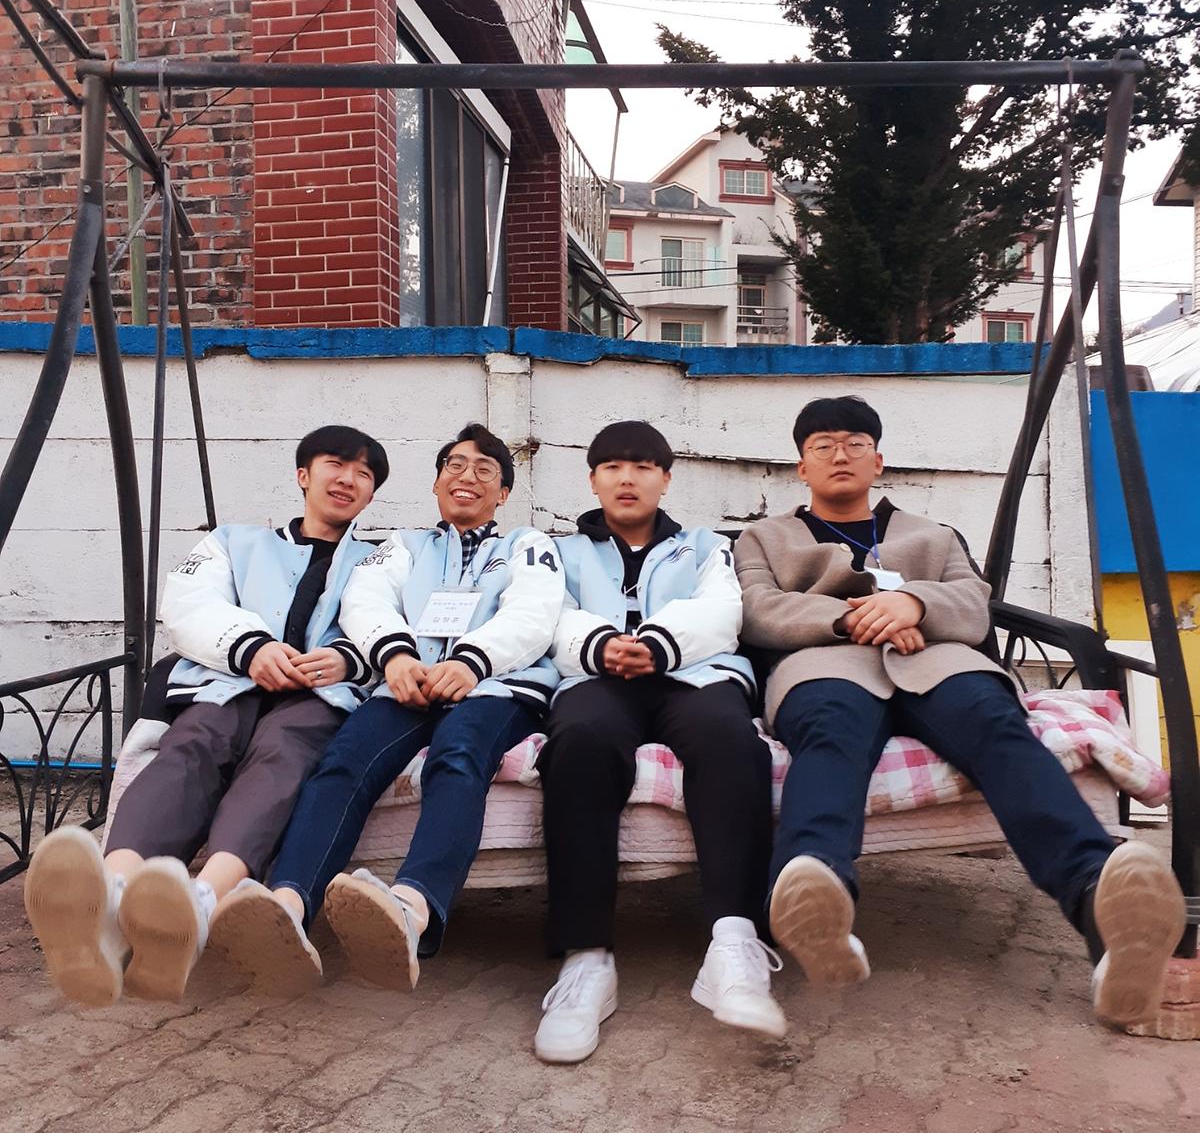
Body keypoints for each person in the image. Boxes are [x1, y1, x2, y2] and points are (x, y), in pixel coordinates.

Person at [734, 395, 1186, 1026]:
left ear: (878, 461)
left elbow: (974, 605)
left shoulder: (934, 535)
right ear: (801, 467)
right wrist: (854, 617)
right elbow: (758, 610)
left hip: (940, 662)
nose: (840, 455)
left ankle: (1101, 904)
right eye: (822, 446)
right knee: (830, 732)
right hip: (825, 667)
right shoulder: (762, 538)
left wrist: (915, 604)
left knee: (999, 729)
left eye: (856, 444)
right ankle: (816, 887)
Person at [24, 426, 389, 1005]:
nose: (348, 479)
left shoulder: (380, 561)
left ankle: (200, 901)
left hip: (317, 697)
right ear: (303, 475)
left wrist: (347, 659)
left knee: (283, 756)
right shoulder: (233, 542)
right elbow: (190, 605)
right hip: (226, 681)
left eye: (364, 474)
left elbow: (390, 623)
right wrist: (251, 648)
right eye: (335, 464)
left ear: (371, 496)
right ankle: (110, 895)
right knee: (190, 746)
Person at [207, 423, 565, 996]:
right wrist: (395, 657)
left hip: (496, 686)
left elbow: (533, 613)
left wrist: (471, 662)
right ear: (436, 483)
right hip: (406, 682)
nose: (467, 476)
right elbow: (366, 600)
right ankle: (288, 903)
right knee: (342, 761)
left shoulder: (527, 546)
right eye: (454, 465)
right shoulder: (403, 546)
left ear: (503, 494)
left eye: (485, 470)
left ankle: (410, 908)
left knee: (457, 754)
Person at [532, 420, 779, 1064]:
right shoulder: (558, 551)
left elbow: (723, 610)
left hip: (693, 674)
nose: (627, 478)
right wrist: (600, 645)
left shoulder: (704, 546)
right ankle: (586, 960)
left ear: (666, 479)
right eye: (612, 466)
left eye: (643, 466)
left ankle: (734, 941)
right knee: (580, 742)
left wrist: (661, 645)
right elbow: (546, 614)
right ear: (592, 479)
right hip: (594, 676)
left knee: (732, 741)